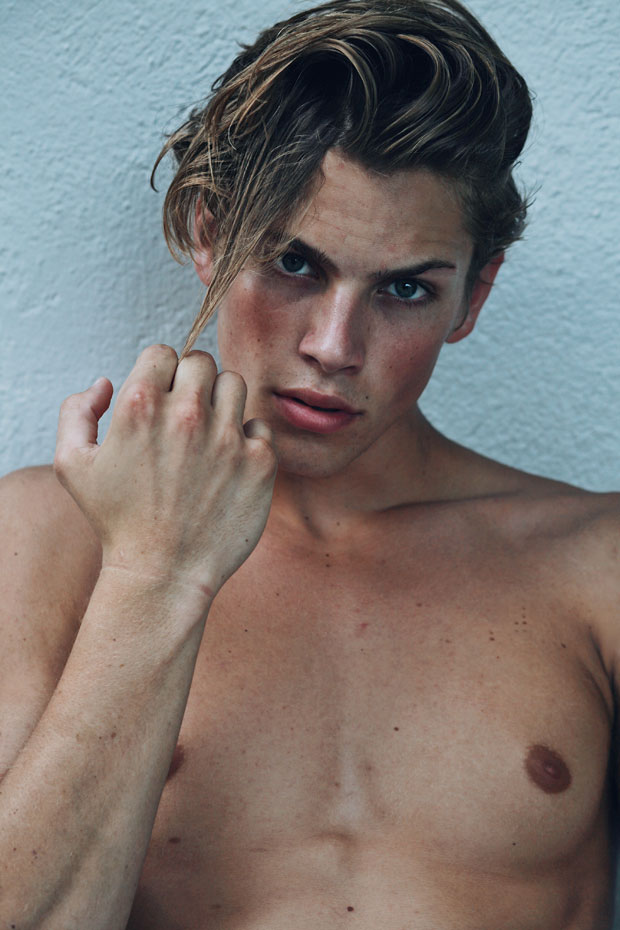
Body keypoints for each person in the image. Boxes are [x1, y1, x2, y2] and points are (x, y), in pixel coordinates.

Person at [0, 0, 618, 927]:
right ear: (210, 234)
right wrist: (155, 574)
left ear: (473, 295)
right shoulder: (48, 537)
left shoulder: (595, 563)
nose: (335, 346)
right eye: (294, 264)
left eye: (405, 288)